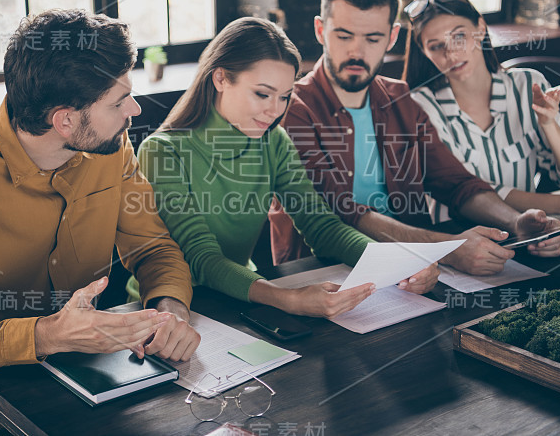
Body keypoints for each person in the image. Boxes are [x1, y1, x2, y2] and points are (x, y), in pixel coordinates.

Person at [0, 9, 200, 435]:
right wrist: (45, 336)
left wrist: (170, 310)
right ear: (65, 120)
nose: (134, 110)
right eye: (119, 101)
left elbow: (153, 248)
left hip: (82, 371)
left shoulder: (110, 146)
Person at [127, 17, 439, 318]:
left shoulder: (273, 140)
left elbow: (320, 225)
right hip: (171, 306)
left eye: (284, 97)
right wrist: (288, 300)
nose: (274, 110)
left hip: (243, 294)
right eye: (262, 94)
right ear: (220, 78)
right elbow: (202, 258)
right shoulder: (162, 151)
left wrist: (398, 262)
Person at [271, 0, 560, 276]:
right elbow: (341, 214)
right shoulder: (291, 109)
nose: (356, 52)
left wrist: (515, 222)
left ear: (392, 37)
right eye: (343, 36)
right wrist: (448, 248)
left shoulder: (400, 99)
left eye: (373, 38)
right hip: (322, 274)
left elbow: (456, 184)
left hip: (418, 274)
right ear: (320, 31)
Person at [406, 0, 560, 231]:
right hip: (460, 239)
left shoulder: (527, 85)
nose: (451, 54)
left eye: (458, 37)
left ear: (480, 28)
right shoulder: (420, 106)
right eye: (436, 46)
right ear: (424, 51)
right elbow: (468, 193)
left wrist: (549, 125)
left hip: (532, 231)